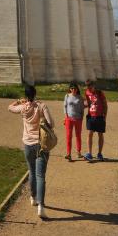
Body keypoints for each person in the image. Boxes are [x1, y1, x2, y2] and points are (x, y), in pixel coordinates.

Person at [9, 85, 55, 219]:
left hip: (27, 144)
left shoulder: (23, 107)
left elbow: (10, 108)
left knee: (32, 172)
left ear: (26, 95)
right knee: (40, 175)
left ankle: (33, 197)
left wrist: (19, 101)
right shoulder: (41, 106)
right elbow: (51, 124)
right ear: (35, 94)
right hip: (41, 144)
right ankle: (41, 206)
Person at [84, 80, 107, 161]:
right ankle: (89, 153)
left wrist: (105, 116)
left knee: (100, 134)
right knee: (90, 134)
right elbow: (87, 103)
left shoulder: (100, 93)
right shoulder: (86, 92)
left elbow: (105, 105)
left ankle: (99, 153)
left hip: (100, 116)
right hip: (91, 116)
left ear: (93, 86)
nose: (89, 88)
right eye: (87, 87)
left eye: (90, 86)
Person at [63, 82, 84, 160]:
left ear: (77, 89)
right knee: (68, 136)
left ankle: (79, 152)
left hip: (78, 119)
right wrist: (66, 117)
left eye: (75, 88)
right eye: (71, 88)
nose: (73, 90)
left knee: (78, 136)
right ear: (69, 89)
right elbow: (64, 106)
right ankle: (68, 154)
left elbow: (82, 108)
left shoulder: (80, 97)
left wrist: (81, 118)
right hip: (69, 118)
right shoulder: (67, 96)